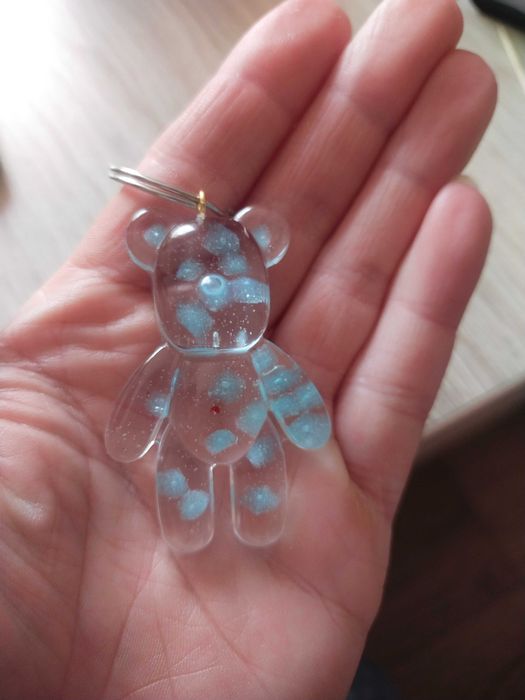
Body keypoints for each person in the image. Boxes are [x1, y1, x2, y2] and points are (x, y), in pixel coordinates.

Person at [0, 0, 496, 698]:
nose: (210, 290)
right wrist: (134, 425)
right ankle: (207, 525)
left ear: (261, 251)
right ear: (154, 261)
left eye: (229, 278)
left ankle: (255, 516)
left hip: (252, 430)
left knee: (258, 479)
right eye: (190, 281)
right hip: (190, 441)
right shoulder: (176, 355)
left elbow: (291, 398)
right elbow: (145, 406)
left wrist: (303, 417)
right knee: (191, 485)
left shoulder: (253, 351)